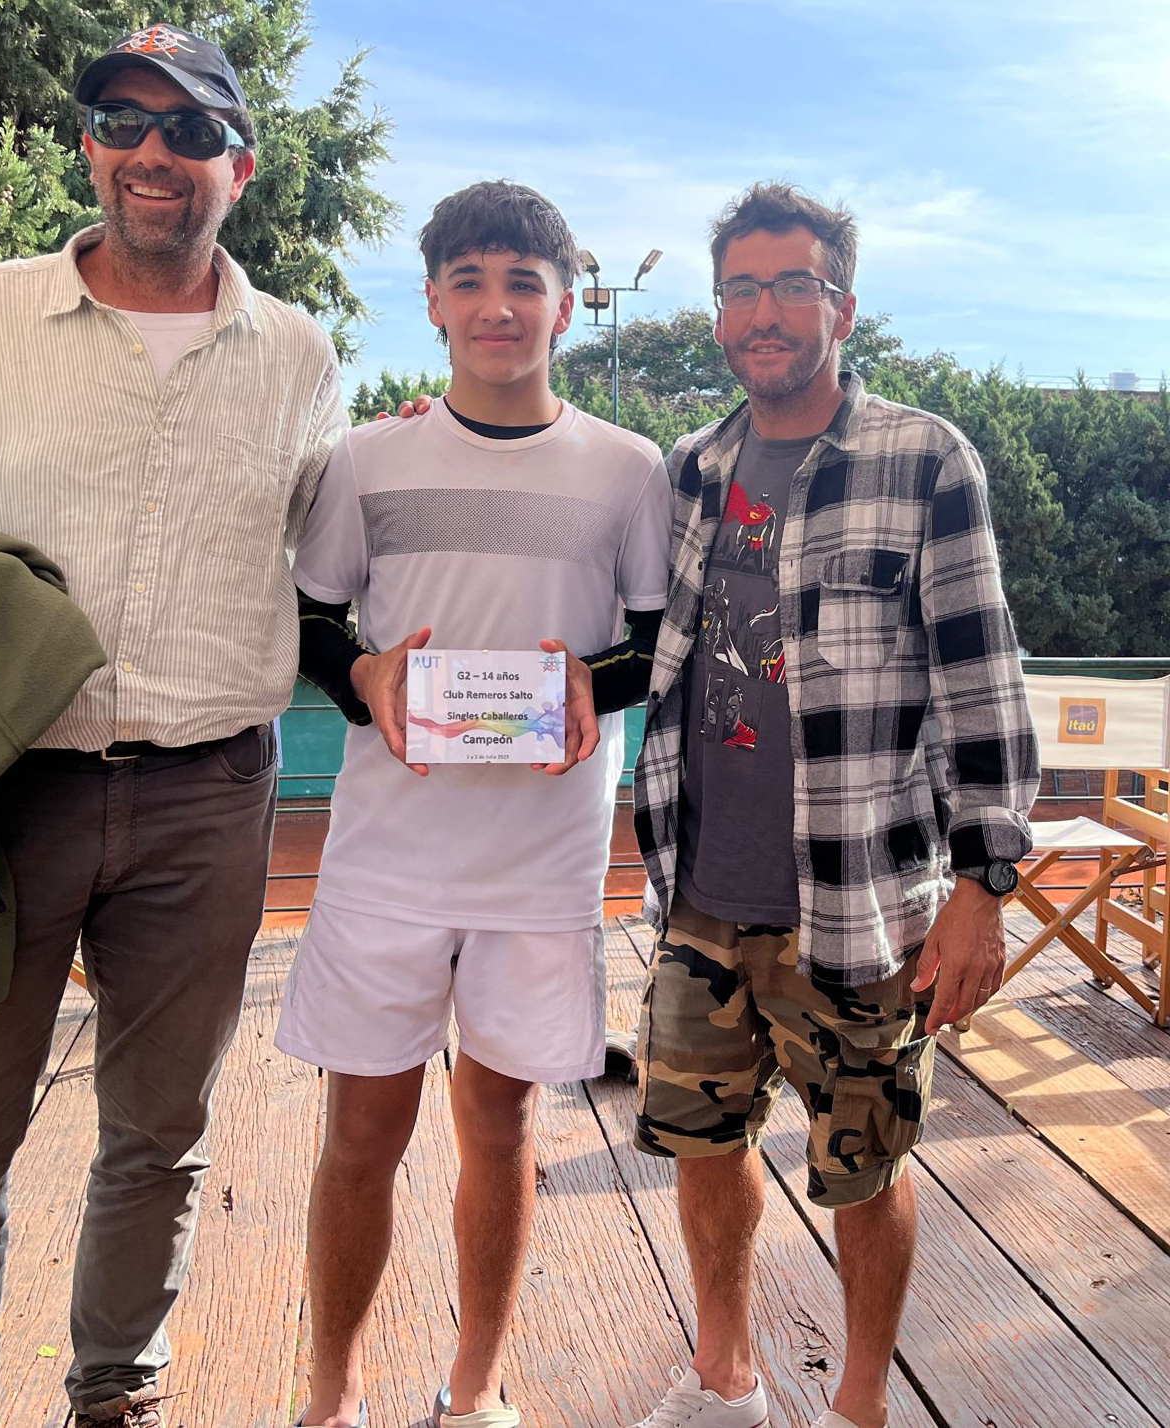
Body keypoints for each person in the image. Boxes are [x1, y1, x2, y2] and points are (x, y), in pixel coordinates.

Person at [0, 24, 348, 1428]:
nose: (152, 152)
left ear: (240, 163)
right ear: (90, 144)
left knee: (160, 1136)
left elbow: (330, 553)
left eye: (189, 129)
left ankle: (116, 1393)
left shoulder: (298, 353)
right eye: (121, 120)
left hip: (209, 793)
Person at [626, 182, 1040, 1428]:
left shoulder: (924, 458)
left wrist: (984, 886)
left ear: (840, 307)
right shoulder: (687, 470)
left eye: (790, 285)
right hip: (699, 899)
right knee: (703, 1149)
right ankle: (724, 1378)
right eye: (739, 289)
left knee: (864, 1166)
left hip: (860, 909)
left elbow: (980, 680)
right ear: (716, 315)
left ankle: (860, 1402)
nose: (762, 312)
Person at [279, 180, 673, 1428]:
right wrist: (363, 676)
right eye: (470, 282)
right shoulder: (366, 460)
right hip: (384, 861)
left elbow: (655, 640)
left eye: (522, 283)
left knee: (498, 1133)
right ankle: (329, 1398)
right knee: (359, 1138)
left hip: (540, 867)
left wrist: (591, 683)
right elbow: (312, 618)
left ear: (563, 303)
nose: (497, 306)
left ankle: (475, 1391)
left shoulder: (630, 471)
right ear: (434, 303)